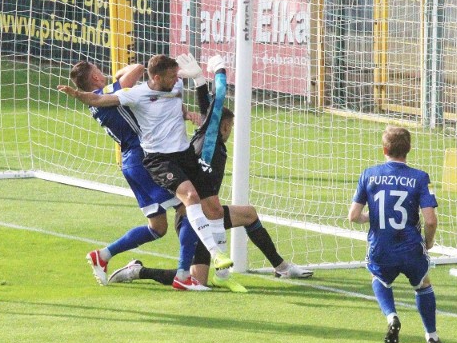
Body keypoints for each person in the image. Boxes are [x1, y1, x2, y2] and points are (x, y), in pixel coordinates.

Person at [108, 55, 312, 289]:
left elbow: (206, 109)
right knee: (198, 279)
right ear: (224, 125)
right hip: (191, 220)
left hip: (208, 213)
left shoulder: (212, 141)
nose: (230, 131)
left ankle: (281, 267)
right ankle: (139, 271)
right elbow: (215, 100)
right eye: (231, 126)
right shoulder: (209, 139)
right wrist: (215, 71)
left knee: (247, 214)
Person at [58, 55, 234, 289]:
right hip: (143, 158)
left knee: (157, 227)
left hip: (129, 163)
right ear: (95, 77)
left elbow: (157, 102)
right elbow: (139, 68)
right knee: (187, 206)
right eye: (99, 70)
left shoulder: (105, 100)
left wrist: (184, 113)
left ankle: (104, 255)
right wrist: (114, 78)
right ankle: (184, 276)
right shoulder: (111, 92)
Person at [348, 126, 441, 343]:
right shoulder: (419, 177)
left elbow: (353, 216)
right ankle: (432, 336)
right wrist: (427, 242)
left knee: (379, 280)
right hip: (410, 247)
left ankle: (391, 317)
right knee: (423, 285)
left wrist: (372, 217)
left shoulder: (368, 175)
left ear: (384, 149)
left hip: (382, 247)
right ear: (408, 149)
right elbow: (430, 220)